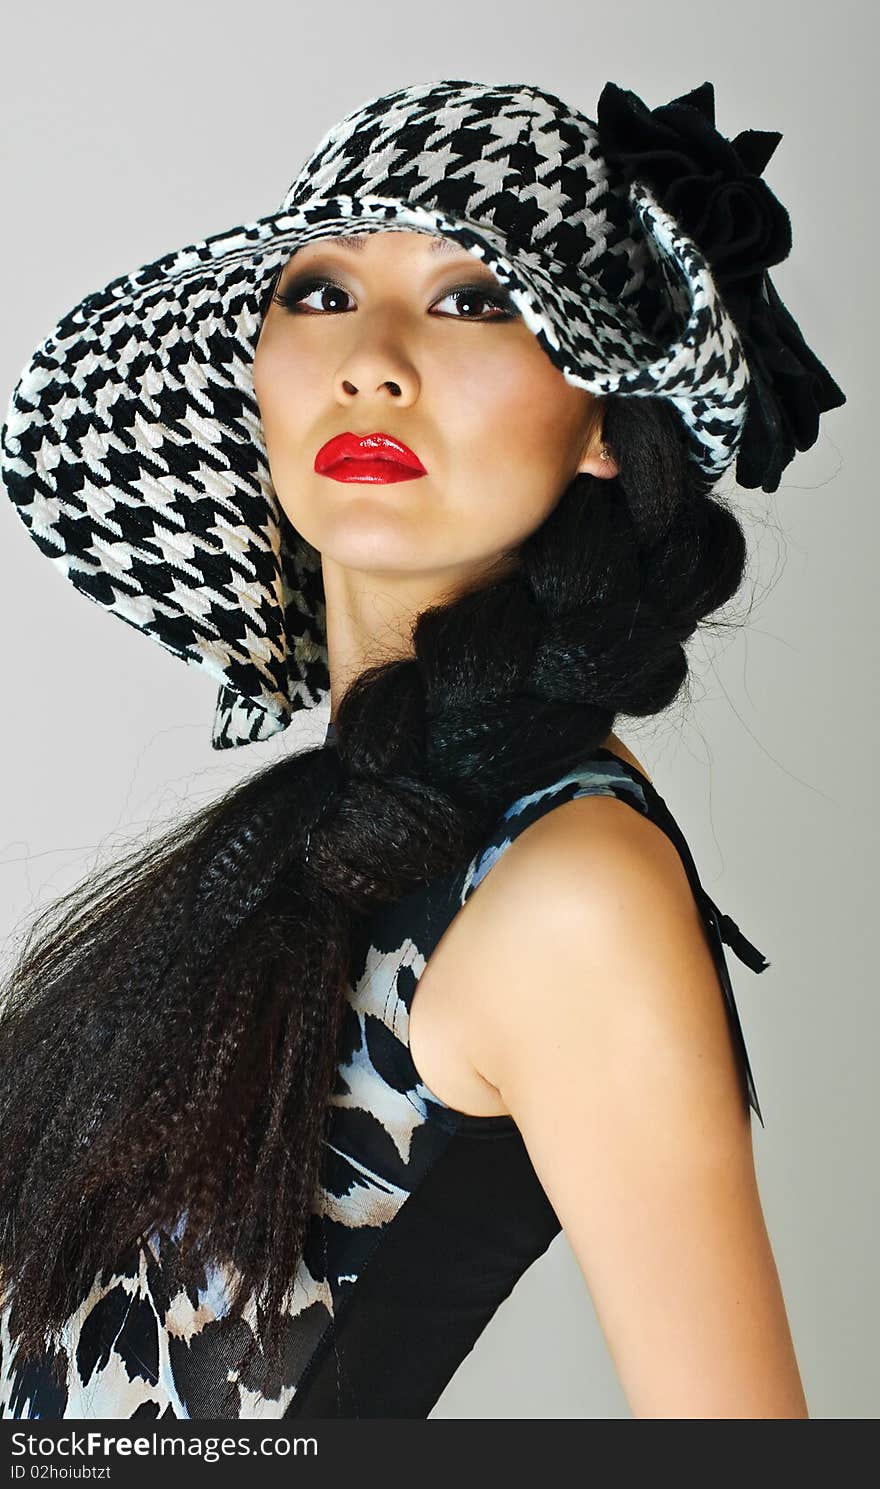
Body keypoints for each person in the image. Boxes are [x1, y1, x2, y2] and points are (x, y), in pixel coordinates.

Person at [0, 77, 844, 1420]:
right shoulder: (319, 842)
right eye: (322, 290)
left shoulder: (569, 895)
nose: (374, 358)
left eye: (474, 298)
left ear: (605, 429)